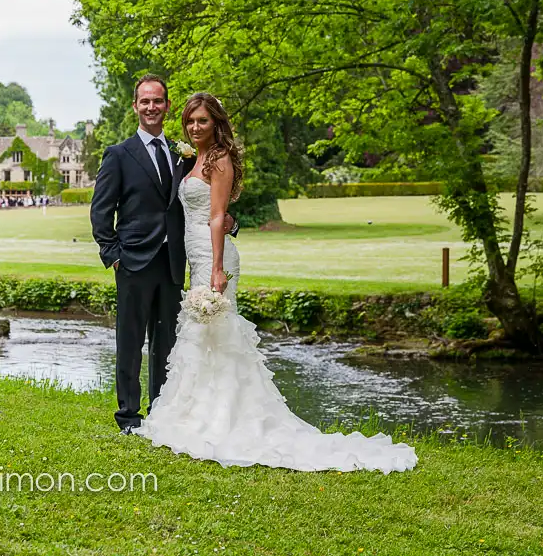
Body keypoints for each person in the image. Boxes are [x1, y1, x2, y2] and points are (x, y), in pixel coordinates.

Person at [133, 93, 418, 473]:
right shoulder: (194, 157)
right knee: (203, 336)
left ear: (216, 123)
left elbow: (218, 216)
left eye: (202, 121)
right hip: (197, 254)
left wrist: (217, 267)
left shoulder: (220, 160)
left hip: (213, 255)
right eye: (190, 121)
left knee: (216, 332)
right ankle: (191, 412)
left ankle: (221, 419)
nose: (195, 127)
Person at [90, 75, 238, 434]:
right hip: (134, 262)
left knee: (166, 341)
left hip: (174, 262)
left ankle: (161, 411)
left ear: (167, 105)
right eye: (145, 101)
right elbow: (100, 211)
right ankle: (128, 416)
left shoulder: (182, 153)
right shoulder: (119, 155)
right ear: (135, 106)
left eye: (158, 101)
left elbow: (204, 200)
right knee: (129, 340)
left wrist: (230, 224)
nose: (152, 107)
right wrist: (114, 255)